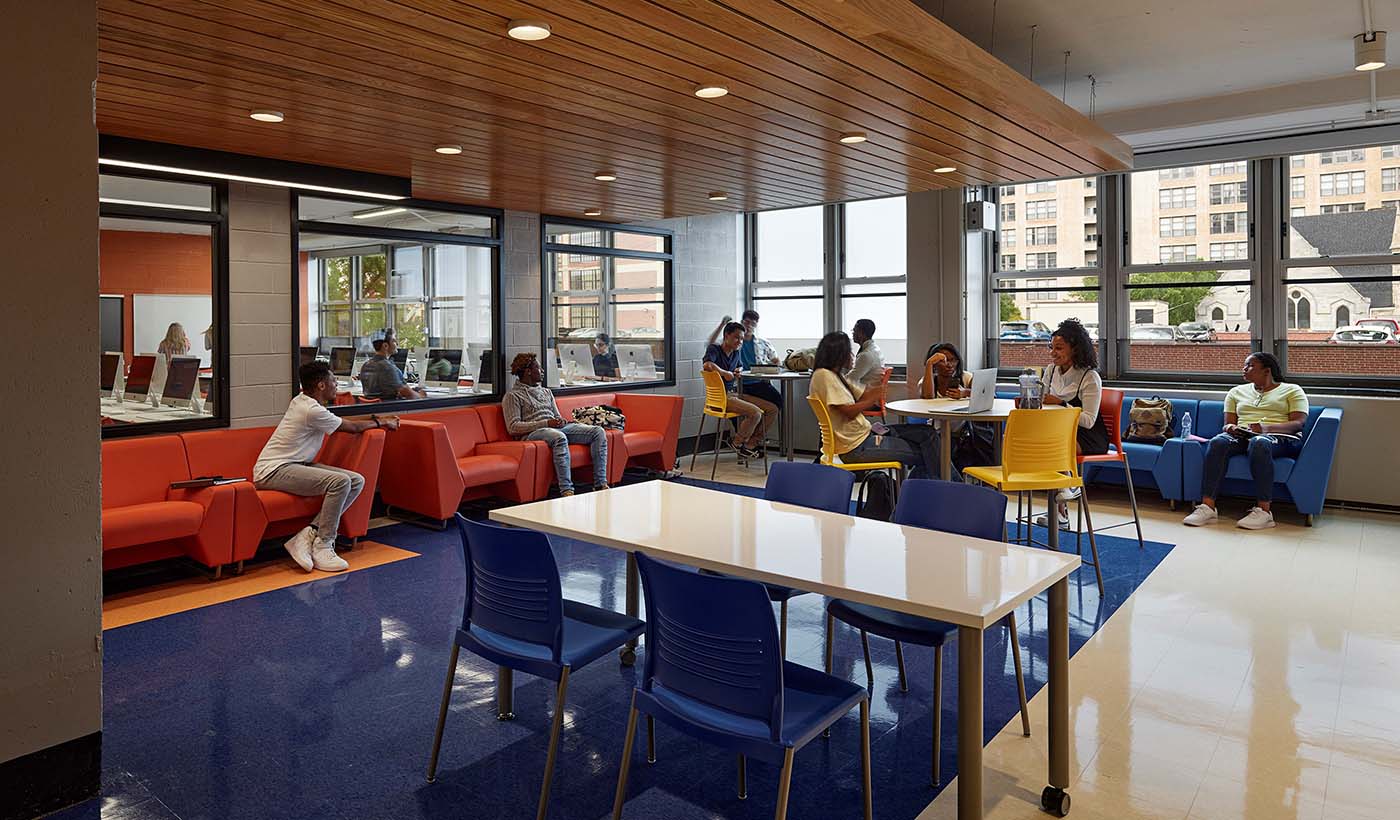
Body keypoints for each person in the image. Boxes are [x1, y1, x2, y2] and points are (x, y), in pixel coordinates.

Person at [254, 361, 399, 573]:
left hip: (297, 464)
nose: (336, 384)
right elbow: (352, 427)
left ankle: (308, 534)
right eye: (333, 380)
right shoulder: (310, 410)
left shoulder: (304, 402)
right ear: (321, 385)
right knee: (339, 482)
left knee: (356, 481)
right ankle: (323, 543)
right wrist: (383, 422)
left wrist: (377, 418)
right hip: (273, 471)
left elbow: (343, 420)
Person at [1183, 352, 1308, 530]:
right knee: (1218, 442)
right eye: (1245, 365)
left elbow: (1298, 424)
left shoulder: (1292, 390)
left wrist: (1264, 428)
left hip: (1279, 437)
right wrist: (1231, 428)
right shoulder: (1236, 392)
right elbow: (1228, 424)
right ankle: (1208, 507)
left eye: (1250, 365)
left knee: (1259, 442)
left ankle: (1264, 512)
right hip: (1243, 435)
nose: (1244, 369)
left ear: (1266, 371)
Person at [809, 331, 938, 478]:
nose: (852, 355)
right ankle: (942, 486)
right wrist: (874, 396)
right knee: (931, 453)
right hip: (856, 447)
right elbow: (849, 412)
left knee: (927, 433)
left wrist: (877, 389)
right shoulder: (824, 376)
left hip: (865, 435)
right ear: (839, 354)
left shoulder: (837, 377)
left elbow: (864, 394)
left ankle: (935, 486)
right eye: (848, 351)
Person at [1035, 318, 1108, 528]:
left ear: (1075, 349)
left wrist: (1061, 403)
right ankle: (1064, 497)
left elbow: (1089, 420)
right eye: (1051, 347)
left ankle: (1065, 495)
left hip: (1087, 436)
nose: (1053, 353)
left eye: (1059, 348)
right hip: (1058, 432)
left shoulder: (1089, 377)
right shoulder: (1050, 371)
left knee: (1054, 444)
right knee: (1038, 441)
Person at [503, 353, 608, 496]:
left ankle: (600, 484)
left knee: (598, 432)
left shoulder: (546, 392)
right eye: (538, 368)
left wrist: (560, 420)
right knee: (559, 437)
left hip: (555, 428)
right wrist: (546, 423)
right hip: (533, 433)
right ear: (528, 371)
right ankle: (567, 490)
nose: (542, 371)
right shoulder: (513, 396)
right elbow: (513, 427)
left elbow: (556, 415)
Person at [703, 321, 778, 460]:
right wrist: (724, 372)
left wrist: (738, 370)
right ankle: (736, 443)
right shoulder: (714, 349)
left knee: (772, 409)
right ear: (726, 336)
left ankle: (751, 444)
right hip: (722, 398)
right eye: (737, 338)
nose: (740, 341)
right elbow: (707, 365)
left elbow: (740, 366)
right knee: (755, 413)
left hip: (735, 394)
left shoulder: (736, 352)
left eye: (742, 339)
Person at [709, 311, 783, 407]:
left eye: (753, 324)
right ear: (742, 322)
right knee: (749, 410)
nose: (749, 326)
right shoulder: (733, 342)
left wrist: (770, 370)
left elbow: (776, 360)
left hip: (758, 382)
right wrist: (722, 325)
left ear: (756, 325)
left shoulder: (763, 343)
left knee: (778, 401)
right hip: (738, 384)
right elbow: (712, 344)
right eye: (747, 322)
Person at [358, 331, 425, 400]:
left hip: (374, 405)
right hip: (389, 405)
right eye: (394, 341)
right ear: (385, 346)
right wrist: (421, 395)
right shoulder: (388, 367)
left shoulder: (365, 365)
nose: (397, 343)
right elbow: (410, 395)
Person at [846, 319, 886, 387]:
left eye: (854, 331)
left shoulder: (866, 355)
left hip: (865, 391)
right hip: (869, 389)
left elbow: (850, 379)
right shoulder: (875, 349)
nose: (853, 333)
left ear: (861, 333)